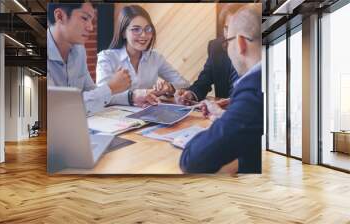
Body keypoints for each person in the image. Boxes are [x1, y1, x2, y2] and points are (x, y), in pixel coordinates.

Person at [180, 4, 263, 174]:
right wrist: (227, 114)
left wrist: (225, 122)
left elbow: (192, 160)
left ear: (240, 42)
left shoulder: (255, 88)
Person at [96, 5, 190, 107]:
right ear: (123, 33)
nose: (144, 35)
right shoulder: (107, 57)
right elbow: (101, 95)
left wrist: (170, 88)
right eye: (136, 29)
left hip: (148, 114)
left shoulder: (155, 57)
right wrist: (132, 96)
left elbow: (184, 83)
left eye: (148, 29)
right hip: (114, 118)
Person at [47, 3, 131, 114]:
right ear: (60, 16)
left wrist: (131, 97)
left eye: (91, 21)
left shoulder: (79, 50)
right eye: (84, 18)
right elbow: (57, 108)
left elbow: (92, 92)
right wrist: (110, 87)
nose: (91, 27)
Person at [175, 4, 244, 106]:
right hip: (221, 111)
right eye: (227, 28)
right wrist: (191, 94)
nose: (230, 34)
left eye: (236, 28)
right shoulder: (216, 47)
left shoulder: (258, 48)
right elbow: (204, 80)